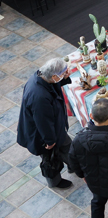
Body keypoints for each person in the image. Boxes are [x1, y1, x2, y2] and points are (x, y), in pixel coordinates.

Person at [16, 58, 73, 189]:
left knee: (67, 147)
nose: (66, 73)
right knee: (50, 159)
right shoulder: (39, 97)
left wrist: (64, 79)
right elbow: (43, 122)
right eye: (63, 73)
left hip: (55, 128)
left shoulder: (43, 77)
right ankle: (55, 182)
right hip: (42, 136)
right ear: (54, 76)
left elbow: (53, 86)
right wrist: (50, 141)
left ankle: (73, 166)